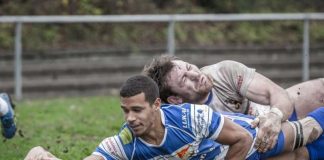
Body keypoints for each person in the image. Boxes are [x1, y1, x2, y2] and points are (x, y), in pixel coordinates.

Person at [24, 75, 324, 160]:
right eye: (125, 111)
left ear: (157, 105)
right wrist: (41, 155)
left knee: (308, 134)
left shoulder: (188, 117)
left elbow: (242, 139)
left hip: (253, 138)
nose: (129, 118)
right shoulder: (125, 143)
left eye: (137, 110)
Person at [142, 55, 324, 152]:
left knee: (319, 90)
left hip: (278, 115)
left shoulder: (223, 72)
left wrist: (275, 116)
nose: (196, 75)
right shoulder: (182, 120)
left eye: (189, 67)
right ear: (175, 100)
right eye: (185, 80)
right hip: (258, 145)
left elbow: (277, 94)